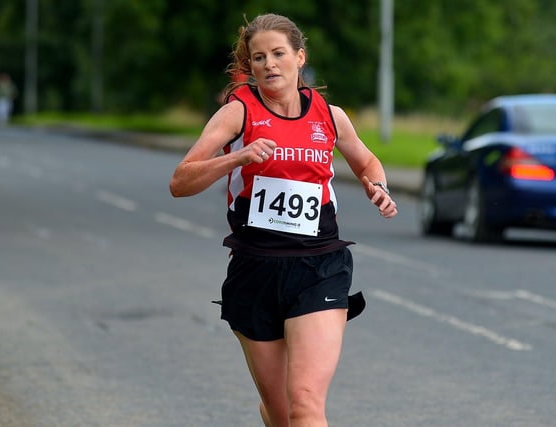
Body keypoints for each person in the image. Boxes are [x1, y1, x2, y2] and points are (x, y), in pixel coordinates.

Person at [170, 13, 397, 427]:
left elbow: (367, 162)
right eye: (259, 58)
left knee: (306, 404)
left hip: (319, 266)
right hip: (255, 268)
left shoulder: (330, 115)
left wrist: (377, 185)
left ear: (299, 57)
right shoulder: (238, 113)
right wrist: (237, 156)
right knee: (280, 413)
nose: (269, 64)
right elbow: (180, 182)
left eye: (278, 54)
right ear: (251, 67)